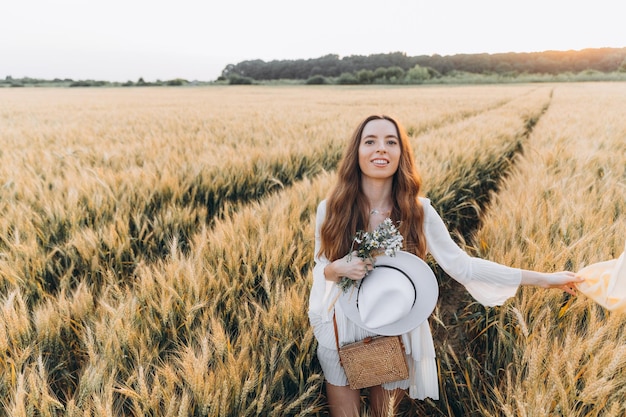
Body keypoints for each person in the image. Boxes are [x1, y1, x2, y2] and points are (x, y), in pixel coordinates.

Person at [308, 114, 583, 417]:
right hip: (341, 327)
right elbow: (322, 267)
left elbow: (462, 266)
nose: (381, 149)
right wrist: (339, 268)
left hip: (394, 326)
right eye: (370, 141)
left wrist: (544, 279)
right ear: (356, 152)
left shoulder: (419, 211)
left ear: (401, 154)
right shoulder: (331, 208)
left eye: (391, 142)